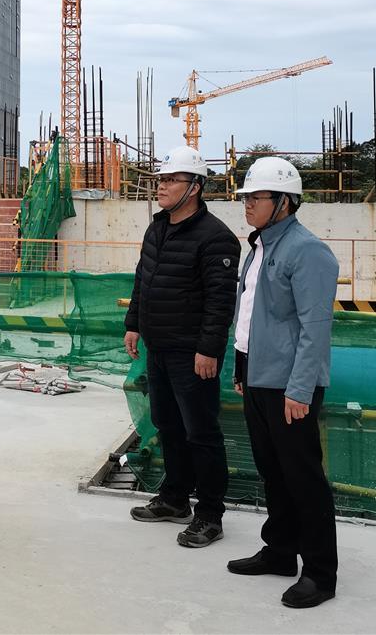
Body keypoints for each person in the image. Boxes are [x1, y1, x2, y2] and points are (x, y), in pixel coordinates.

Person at [227, 157, 338, 609]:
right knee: (273, 471)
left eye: (257, 197)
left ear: (285, 202)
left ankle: (320, 573)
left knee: (303, 477)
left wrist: (299, 389)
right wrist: (241, 370)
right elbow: (250, 316)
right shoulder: (259, 247)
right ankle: (279, 551)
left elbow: (316, 327)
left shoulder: (307, 251)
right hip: (258, 377)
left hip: (289, 385)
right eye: (246, 198)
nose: (248, 205)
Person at [124, 146, 240, 547]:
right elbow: (143, 279)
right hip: (158, 347)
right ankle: (175, 498)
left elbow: (220, 302)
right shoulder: (157, 228)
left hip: (192, 354)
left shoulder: (216, 238)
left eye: (171, 180)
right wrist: (134, 324)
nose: (162, 186)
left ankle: (210, 514)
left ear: (195, 187)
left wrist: (209, 349)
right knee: (168, 425)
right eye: (161, 179)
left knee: (201, 433)